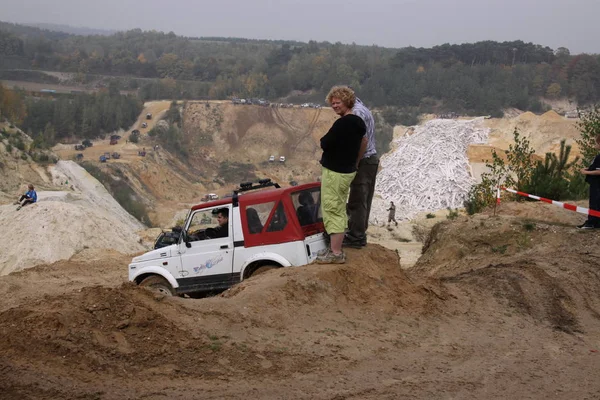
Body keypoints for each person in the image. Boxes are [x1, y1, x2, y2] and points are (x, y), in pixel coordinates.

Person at [316, 86, 366, 264]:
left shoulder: (343, 123)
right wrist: (356, 163)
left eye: (338, 102)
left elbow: (325, 142)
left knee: (332, 208)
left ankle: (336, 253)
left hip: (335, 172)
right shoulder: (359, 123)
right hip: (347, 170)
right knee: (338, 206)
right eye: (333, 103)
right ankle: (334, 249)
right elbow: (363, 142)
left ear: (347, 101)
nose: (335, 106)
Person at [344, 96, 378, 248]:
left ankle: (355, 236)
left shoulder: (356, 114)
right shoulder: (362, 108)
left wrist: (355, 162)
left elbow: (361, 140)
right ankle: (359, 233)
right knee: (364, 199)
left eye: (338, 103)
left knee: (357, 199)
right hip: (371, 160)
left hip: (363, 161)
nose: (335, 107)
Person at [578, 135, 600, 229]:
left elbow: (599, 171)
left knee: (594, 203)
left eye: (596, 143)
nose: (595, 145)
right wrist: (588, 168)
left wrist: (585, 172)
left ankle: (591, 223)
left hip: (597, 184)